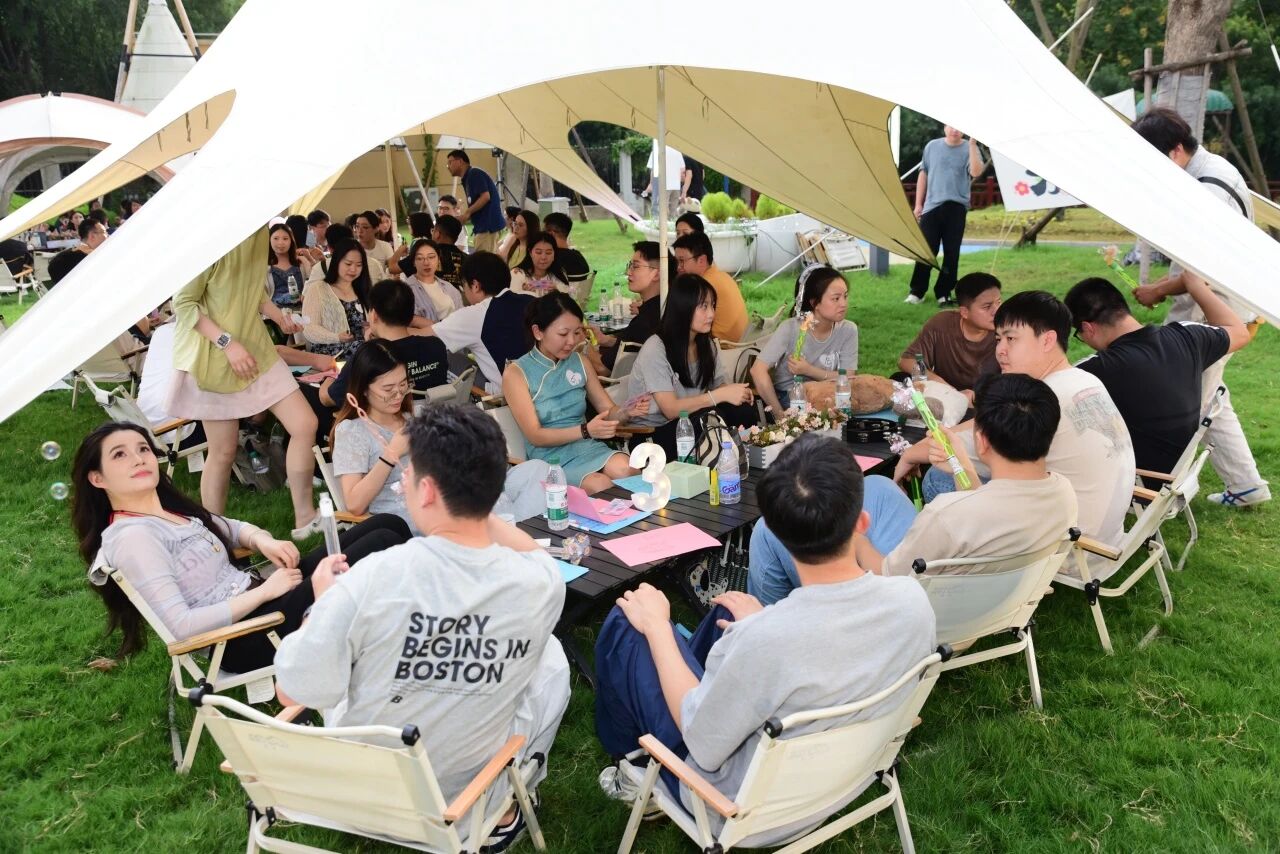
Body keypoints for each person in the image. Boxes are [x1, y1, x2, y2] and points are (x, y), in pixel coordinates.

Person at [593, 434, 936, 847]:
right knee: (725, 615)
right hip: (850, 775)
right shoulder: (913, 600)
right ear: (862, 523)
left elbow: (699, 740)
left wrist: (659, 629)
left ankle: (633, 770)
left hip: (738, 807)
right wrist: (756, 623)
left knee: (628, 622)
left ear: (775, 535)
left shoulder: (764, 640)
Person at [274, 404, 571, 850]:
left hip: (368, 791)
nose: (403, 482)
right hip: (463, 796)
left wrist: (322, 604)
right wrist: (476, 500)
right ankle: (505, 803)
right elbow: (535, 555)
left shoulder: (371, 577)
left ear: (427, 491)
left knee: (353, 657)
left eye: (408, 475)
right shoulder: (541, 583)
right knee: (551, 659)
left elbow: (292, 692)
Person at [74, 421, 410, 672]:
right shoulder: (134, 537)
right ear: (97, 478)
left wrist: (264, 541)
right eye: (120, 455)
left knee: (387, 525)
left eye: (143, 449)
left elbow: (232, 528)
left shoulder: (168, 510)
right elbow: (181, 627)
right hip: (247, 637)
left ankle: (400, 622)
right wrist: (264, 593)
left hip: (267, 601)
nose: (138, 459)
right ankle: (404, 630)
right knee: (381, 542)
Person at [895, 291, 1134, 577]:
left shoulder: (1048, 397)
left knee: (939, 477)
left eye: (1011, 339)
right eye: (998, 339)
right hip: (1103, 538)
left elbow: (964, 448)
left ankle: (937, 566)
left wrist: (910, 454)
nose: (1000, 350)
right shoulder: (1083, 380)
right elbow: (978, 428)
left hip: (1067, 550)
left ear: (1047, 340)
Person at [1130, 107, 1270, 507]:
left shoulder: (1208, 188)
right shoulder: (1209, 170)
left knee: (1183, 401)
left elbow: (1202, 273)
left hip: (1216, 310)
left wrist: (1158, 290)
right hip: (1218, 307)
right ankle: (1246, 486)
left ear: (1175, 150)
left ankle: (1165, 495)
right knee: (1209, 398)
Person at [167, 229, 321, 539]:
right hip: (213, 358)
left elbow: (251, 290)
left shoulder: (258, 231)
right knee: (222, 451)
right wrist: (227, 343)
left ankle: (306, 519)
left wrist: (277, 315)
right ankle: (214, 536)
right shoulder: (208, 239)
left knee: (305, 424)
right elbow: (182, 304)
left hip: (257, 350)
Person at [861, 373, 1077, 576]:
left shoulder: (944, 515)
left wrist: (853, 540)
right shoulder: (1063, 493)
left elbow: (891, 576)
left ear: (981, 441)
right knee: (879, 487)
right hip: (999, 597)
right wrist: (962, 466)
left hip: (928, 597)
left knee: (872, 489)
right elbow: (985, 514)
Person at [1066, 275, 1248, 477]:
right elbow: (1240, 332)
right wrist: (1195, 285)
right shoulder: (1187, 336)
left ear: (1088, 328)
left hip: (1136, 480)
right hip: (1178, 475)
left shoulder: (1093, 370)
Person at [504, 293, 647, 494]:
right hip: (549, 459)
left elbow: (607, 410)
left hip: (586, 447)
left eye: (577, 332)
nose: (572, 341)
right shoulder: (517, 373)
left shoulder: (580, 361)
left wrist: (625, 412)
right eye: (563, 334)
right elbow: (535, 436)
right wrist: (586, 430)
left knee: (628, 469)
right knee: (600, 485)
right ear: (538, 332)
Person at [625, 274, 755, 460]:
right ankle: (723, 465)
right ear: (683, 308)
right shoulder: (656, 348)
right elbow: (670, 409)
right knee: (710, 419)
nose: (711, 314)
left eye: (712, 306)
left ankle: (743, 464)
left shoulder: (706, 344)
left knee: (742, 410)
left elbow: (719, 386)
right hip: (654, 436)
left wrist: (734, 393)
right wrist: (718, 396)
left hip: (692, 421)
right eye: (703, 306)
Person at [750, 264, 858, 417]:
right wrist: (779, 414)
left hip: (828, 394)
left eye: (845, 296)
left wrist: (809, 370)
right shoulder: (790, 328)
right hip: (792, 397)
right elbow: (757, 370)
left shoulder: (848, 330)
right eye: (836, 298)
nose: (843, 304)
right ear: (814, 303)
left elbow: (848, 378)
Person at [331, 341, 418, 529]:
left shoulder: (412, 418)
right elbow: (354, 504)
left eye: (403, 384)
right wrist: (391, 454)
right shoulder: (353, 431)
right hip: (399, 529)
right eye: (388, 389)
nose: (398, 395)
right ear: (364, 388)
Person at [321, 278, 448, 406]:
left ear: (374, 315)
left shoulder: (368, 357)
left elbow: (327, 399)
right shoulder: (436, 345)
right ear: (410, 315)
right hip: (435, 415)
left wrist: (332, 374)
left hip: (387, 417)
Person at [429, 251, 534, 389]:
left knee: (449, 358)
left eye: (464, 287)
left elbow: (422, 338)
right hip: (547, 384)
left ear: (475, 285)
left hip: (509, 393)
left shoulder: (475, 314)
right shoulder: (532, 298)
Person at [906, 126, 983, 305]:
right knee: (926, 251)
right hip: (931, 207)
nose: (955, 130)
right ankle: (917, 292)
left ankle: (944, 292)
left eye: (959, 127)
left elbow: (976, 172)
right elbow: (923, 174)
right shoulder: (932, 146)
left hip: (957, 207)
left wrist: (973, 145)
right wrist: (918, 205)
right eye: (951, 125)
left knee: (951, 253)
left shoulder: (969, 148)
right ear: (944, 126)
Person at [899, 271, 1001, 400]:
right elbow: (907, 361)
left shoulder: (1007, 329)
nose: (997, 311)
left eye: (999, 302)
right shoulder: (942, 324)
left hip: (992, 401)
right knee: (901, 378)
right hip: (946, 398)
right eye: (987, 307)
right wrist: (942, 384)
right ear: (964, 312)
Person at [592, 241, 673, 373]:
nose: (628, 272)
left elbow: (603, 368)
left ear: (657, 274)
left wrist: (583, 346)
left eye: (635, 266)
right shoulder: (667, 307)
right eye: (629, 266)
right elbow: (633, 345)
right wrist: (607, 340)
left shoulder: (645, 320)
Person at [672, 231, 748, 342]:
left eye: (682, 261)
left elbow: (681, 322)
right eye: (677, 261)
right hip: (740, 344)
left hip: (723, 348)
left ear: (701, 260)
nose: (678, 267)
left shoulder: (703, 285)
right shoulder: (722, 275)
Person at [446, 149, 505, 253]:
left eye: (450, 162)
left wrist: (467, 213)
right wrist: (465, 216)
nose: (448, 166)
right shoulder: (468, 178)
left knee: (483, 260)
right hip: (484, 228)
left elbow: (485, 197)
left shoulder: (474, 173)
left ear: (460, 161)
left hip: (487, 228)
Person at [400, 239, 463, 325]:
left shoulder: (448, 287)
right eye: (420, 258)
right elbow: (407, 320)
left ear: (438, 259)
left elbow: (461, 315)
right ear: (413, 262)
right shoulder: (405, 290)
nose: (426, 263)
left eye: (431, 257)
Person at [48, 218, 108, 286]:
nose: (108, 235)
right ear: (92, 236)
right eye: (104, 232)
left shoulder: (66, 255)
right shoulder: (90, 258)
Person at [509, 231, 568, 296]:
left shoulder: (559, 274)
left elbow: (568, 297)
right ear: (530, 253)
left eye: (548, 253)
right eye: (538, 252)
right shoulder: (517, 274)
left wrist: (557, 293)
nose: (543, 257)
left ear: (554, 254)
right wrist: (525, 296)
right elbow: (511, 300)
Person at [541, 212, 590, 286]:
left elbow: (542, 283)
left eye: (543, 231)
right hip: (577, 293)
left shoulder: (551, 259)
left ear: (551, 234)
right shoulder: (579, 257)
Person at [266, 222, 309, 307]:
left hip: (302, 310)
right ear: (270, 240)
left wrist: (308, 262)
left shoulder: (301, 263)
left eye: (285, 239)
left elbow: (311, 284)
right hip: (275, 311)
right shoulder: (265, 267)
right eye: (276, 238)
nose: (280, 243)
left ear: (291, 241)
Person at [644, 139, 685, 216]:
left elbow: (654, 171)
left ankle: (661, 224)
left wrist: (651, 184)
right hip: (676, 186)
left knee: (661, 212)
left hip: (663, 186)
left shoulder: (656, 151)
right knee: (673, 212)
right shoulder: (677, 151)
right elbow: (682, 169)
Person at [392, 211, 435, 275]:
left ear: (417, 225)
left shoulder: (417, 242)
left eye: (409, 224)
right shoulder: (431, 241)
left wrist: (400, 250)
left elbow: (392, 268)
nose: (408, 226)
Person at [431, 214, 468, 289]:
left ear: (437, 234)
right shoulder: (467, 259)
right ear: (456, 238)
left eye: (433, 231)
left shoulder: (424, 256)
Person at [353, 210, 392, 281]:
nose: (360, 231)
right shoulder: (352, 248)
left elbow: (392, 269)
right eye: (357, 226)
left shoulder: (385, 246)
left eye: (365, 227)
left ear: (376, 229)